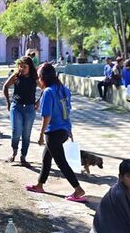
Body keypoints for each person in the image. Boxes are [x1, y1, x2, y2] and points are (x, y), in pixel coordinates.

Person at [25, 63, 86, 202]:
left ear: (43, 77)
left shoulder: (48, 92)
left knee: (61, 162)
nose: (38, 80)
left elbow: (47, 116)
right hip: (63, 130)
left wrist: (41, 135)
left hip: (53, 132)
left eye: (39, 77)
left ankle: (78, 190)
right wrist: (69, 129)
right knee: (46, 158)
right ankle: (40, 185)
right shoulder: (63, 89)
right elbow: (67, 110)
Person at [3, 56, 38, 166]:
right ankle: (14, 152)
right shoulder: (16, 76)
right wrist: (8, 102)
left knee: (26, 134)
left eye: (25, 67)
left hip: (30, 108)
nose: (22, 69)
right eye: (20, 66)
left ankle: (23, 156)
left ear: (30, 67)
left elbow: (45, 89)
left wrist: (38, 102)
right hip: (16, 107)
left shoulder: (34, 78)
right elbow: (5, 86)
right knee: (16, 132)